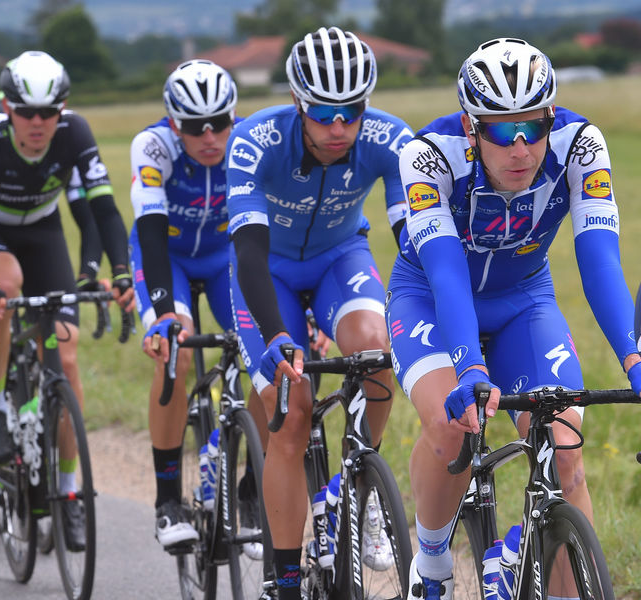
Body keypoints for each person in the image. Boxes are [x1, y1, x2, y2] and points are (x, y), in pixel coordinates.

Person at [387, 38, 641, 600]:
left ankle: (527, 552)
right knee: (454, 425)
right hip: (429, 297)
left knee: (566, 452)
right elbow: (448, 274)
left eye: (534, 125)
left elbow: (599, 264)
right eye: (502, 130)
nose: (521, 146)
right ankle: (430, 560)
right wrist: (470, 367)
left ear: (553, 116)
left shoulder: (581, 146)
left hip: (523, 298)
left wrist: (635, 356)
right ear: (471, 126)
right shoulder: (428, 155)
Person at [225, 27, 413, 598]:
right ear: (297, 103)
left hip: (340, 256)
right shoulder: (253, 142)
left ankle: (360, 487)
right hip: (269, 271)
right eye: (324, 113)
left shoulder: (389, 137)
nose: (339, 128)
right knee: (291, 418)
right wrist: (280, 333)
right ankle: (284, 577)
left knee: (377, 348)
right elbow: (250, 254)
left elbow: (414, 237)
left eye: (351, 112)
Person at [0, 51, 133, 541]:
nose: (37, 123)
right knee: (4, 285)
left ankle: (71, 491)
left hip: (42, 233)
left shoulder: (75, 134)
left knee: (66, 358)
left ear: (62, 109)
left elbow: (103, 210)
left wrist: (120, 271)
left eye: (47, 113)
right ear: (7, 108)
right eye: (26, 112)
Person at [128, 59, 248, 549]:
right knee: (173, 352)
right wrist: (161, 316)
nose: (209, 137)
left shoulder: (247, 141)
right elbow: (152, 237)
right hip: (168, 257)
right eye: (194, 127)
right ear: (172, 123)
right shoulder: (152, 146)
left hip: (223, 257)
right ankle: (166, 502)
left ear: (233, 117)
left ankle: (252, 491)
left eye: (219, 123)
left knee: (262, 347)